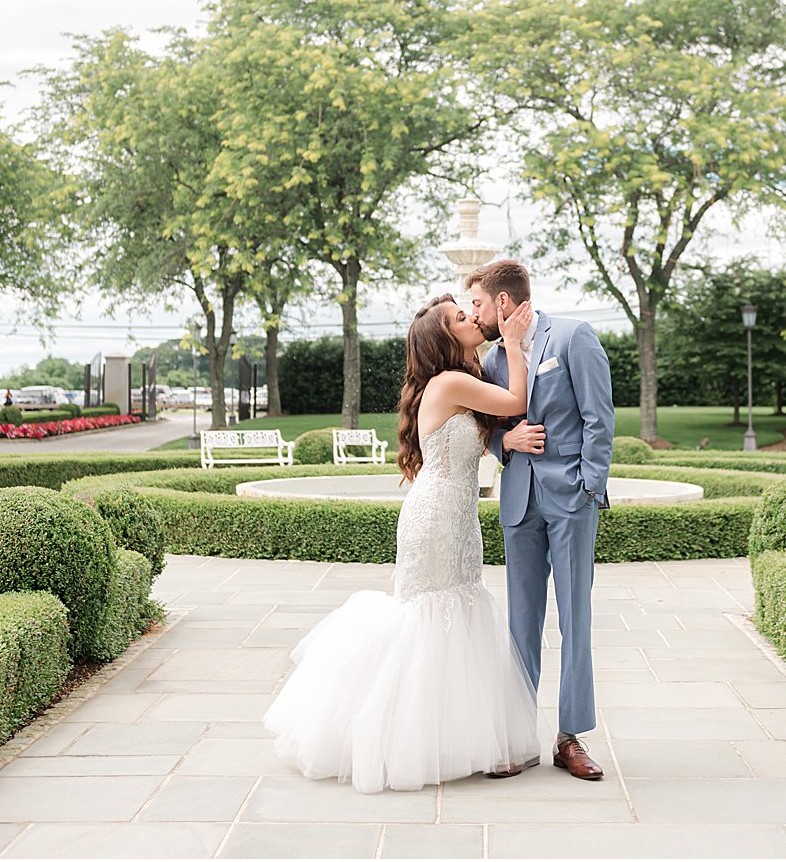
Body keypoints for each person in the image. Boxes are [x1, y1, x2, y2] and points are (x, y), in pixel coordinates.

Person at [263, 294, 539, 793]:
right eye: (461, 318)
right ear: (446, 338)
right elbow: (516, 403)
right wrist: (514, 343)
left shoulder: (458, 381)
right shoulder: (452, 382)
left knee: (456, 611)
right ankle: (403, 740)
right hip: (435, 519)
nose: (473, 318)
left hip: (456, 517)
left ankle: (454, 739)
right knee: (433, 615)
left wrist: (506, 442)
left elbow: (491, 426)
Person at [467, 259, 614, 781]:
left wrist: (588, 488)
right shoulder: (490, 363)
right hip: (519, 502)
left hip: (570, 500)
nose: (475, 314)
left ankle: (569, 738)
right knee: (519, 624)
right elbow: (479, 425)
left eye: (479, 305)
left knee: (575, 619)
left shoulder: (573, 337)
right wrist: (503, 441)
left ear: (503, 302)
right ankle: (518, 737)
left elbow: (600, 417)